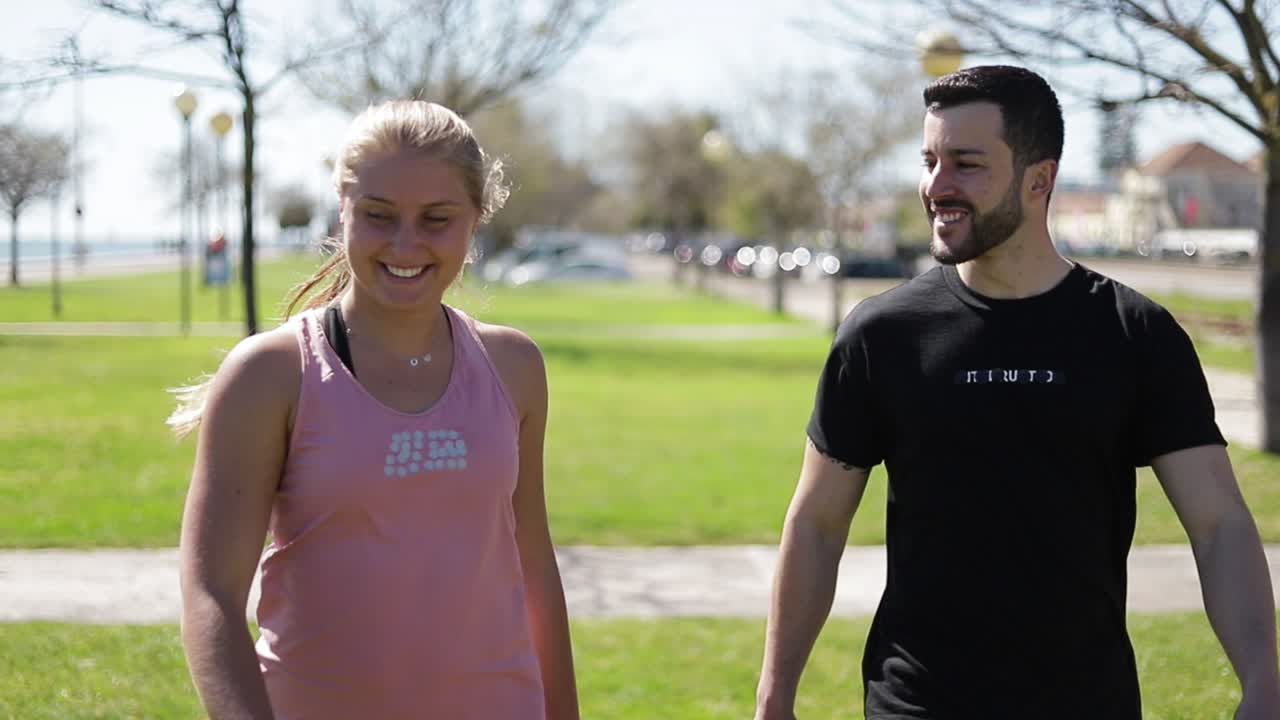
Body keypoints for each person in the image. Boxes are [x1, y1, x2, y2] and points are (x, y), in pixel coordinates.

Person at [754, 65, 1279, 719]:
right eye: (930, 161)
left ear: (1040, 180)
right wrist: (775, 693)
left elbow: (1219, 524)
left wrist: (1262, 680)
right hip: (915, 704)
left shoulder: (1134, 334)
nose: (936, 187)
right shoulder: (880, 335)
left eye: (965, 165)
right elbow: (817, 526)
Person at [169, 100, 579, 719]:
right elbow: (211, 597)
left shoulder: (513, 367)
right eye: (378, 216)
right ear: (343, 211)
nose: (405, 244)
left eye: (436, 218)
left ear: (476, 220)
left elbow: (535, 573)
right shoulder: (271, 374)